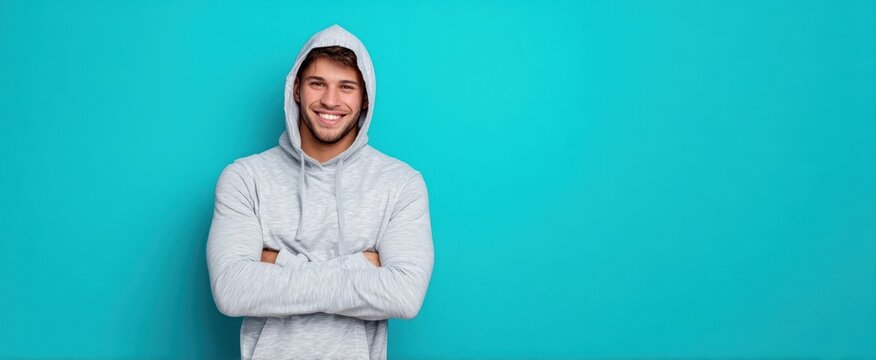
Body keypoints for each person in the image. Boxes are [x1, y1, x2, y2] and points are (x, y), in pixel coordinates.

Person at [205, 24, 435, 359]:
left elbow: (404, 295)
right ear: (297, 89)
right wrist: (361, 265)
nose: (330, 100)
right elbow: (231, 291)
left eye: (346, 87)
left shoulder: (401, 184)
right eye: (317, 83)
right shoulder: (245, 178)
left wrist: (278, 261)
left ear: (365, 97)